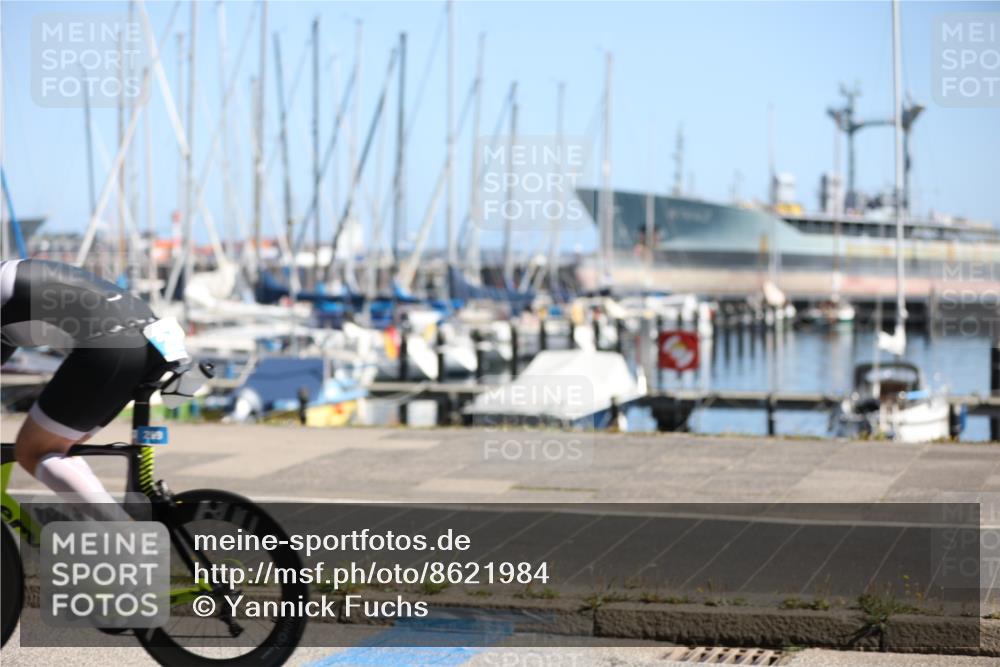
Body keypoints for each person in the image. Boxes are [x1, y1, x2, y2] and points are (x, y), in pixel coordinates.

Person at [1, 259, 169, 504]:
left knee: (32, 451)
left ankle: (123, 533)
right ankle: (107, 522)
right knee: (56, 448)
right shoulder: (11, 281)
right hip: (153, 335)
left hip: (114, 344)